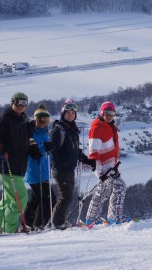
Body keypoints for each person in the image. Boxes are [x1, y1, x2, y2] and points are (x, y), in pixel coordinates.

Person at [0, 92, 41, 233]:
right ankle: (9, 228)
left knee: (9, 198)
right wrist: (2, 148)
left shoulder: (24, 119)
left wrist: (33, 148)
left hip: (19, 164)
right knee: (20, 198)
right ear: (12, 102)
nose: (21, 106)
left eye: (24, 103)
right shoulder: (6, 117)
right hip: (6, 163)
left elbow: (28, 138)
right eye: (19, 102)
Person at [50, 99, 96, 229]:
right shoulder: (58, 130)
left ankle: (57, 222)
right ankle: (57, 223)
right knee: (66, 196)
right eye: (68, 113)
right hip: (61, 169)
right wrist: (59, 166)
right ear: (63, 113)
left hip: (70, 169)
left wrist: (87, 160)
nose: (70, 115)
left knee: (67, 196)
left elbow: (75, 151)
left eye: (72, 113)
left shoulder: (72, 130)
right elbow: (53, 150)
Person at [85, 101, 126, 224]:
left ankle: (91, 219)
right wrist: (99, 172)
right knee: (120, 187)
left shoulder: (110, 127)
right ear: (102, 113)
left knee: (103, 191)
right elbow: (93, 152)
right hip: (104, 169)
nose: (109, 115)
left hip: (110, 167)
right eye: (107, 113)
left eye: (112, 113)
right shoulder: (97, 127)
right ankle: (115, 218)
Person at [23, 104, 54, 230]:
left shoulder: (45, 133)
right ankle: (39, 224)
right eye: (41, 121)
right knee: (48, 199)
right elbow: (31, 149)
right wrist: (44, 147)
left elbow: (46, 151)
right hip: (35, 171)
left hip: (44, 170)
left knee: (36, 199)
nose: (43, 124)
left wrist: (50, 149)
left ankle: (27, 224)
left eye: (46, 121)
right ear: (36, 120)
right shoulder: (31, 133)